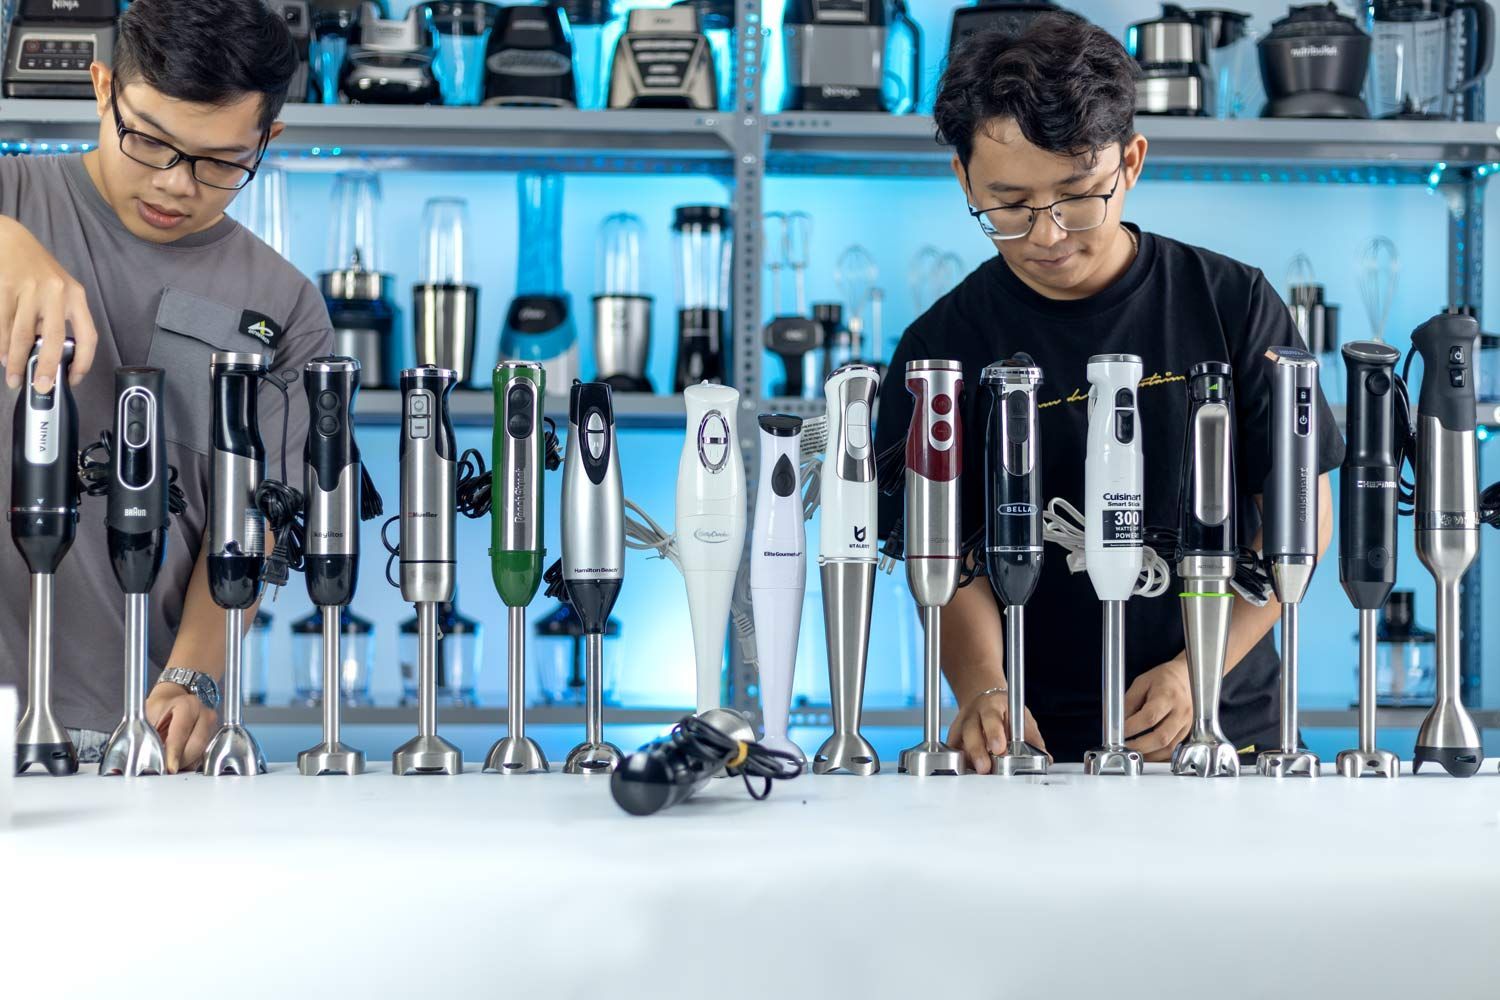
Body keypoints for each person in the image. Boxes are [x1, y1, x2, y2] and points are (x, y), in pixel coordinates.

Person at [873, 14, 1344, 771]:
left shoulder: (1231, 304)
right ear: (963, 179)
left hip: (1224, 727)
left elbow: (1301, 516)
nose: (1048, 235)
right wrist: (987, 690)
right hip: (1033, 747)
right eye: (1009, 204)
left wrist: (1198, 671)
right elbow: (946, 554)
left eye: (1077, 195)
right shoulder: (941, 349)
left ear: (1130, 162)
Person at [0, 0, 332, 772]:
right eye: (147, 140)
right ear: (101, 88)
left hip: (131, 738)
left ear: (267, 140)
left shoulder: (282, 306)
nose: (175, 184)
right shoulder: (12, 198)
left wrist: (193, 676)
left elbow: (256, 526)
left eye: (219, 162)